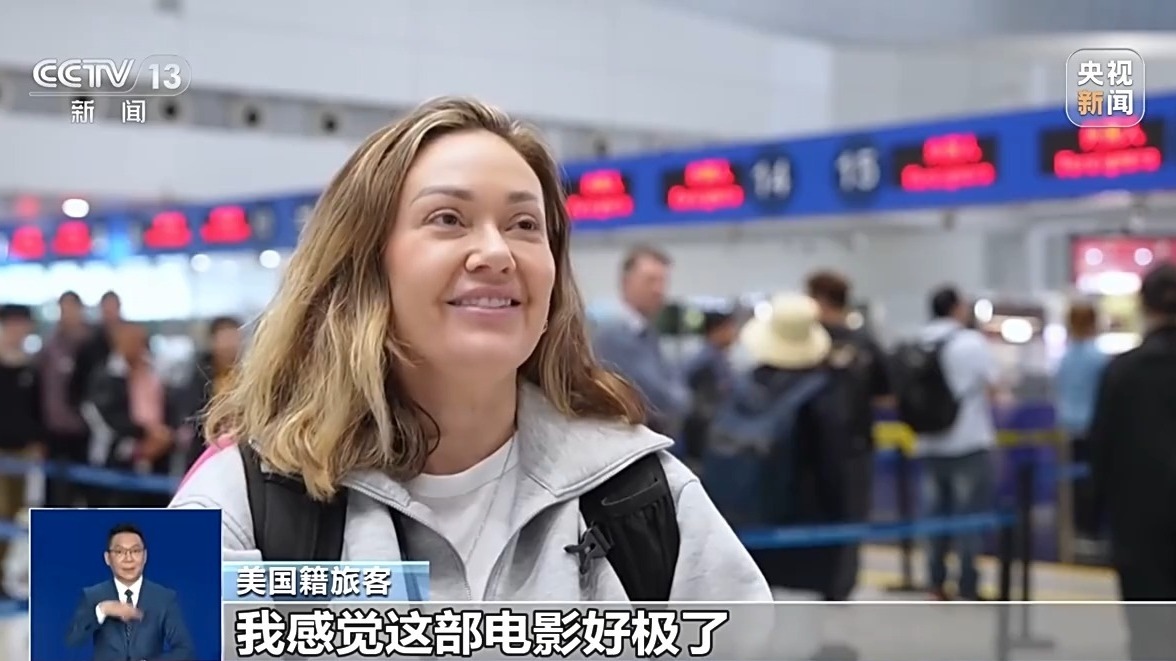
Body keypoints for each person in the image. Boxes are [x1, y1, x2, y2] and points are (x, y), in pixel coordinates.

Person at [171, 97, 771, 603]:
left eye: (524, 225)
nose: (496, 253)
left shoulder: (646, 497)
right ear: (364, 265)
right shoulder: (245, 506)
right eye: (448, 219)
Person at [713, 293, 852, 599]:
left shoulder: (741, 388)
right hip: (803, 542)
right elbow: (833, 476)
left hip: (743, 538)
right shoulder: (820, 396)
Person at [1090, 262, 1176, 660]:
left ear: (1144, 306)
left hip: (1141, 521)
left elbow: (1102, 447)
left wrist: (1093, 517)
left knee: (1151, 636)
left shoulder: (1122, 372)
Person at [806, 269, 893, 599]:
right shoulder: (864, 341)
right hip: (856, 447)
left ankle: (817, 580)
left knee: (814, 515)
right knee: (852, 518)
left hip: (812, 448)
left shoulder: (808, 342)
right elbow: (886, 392)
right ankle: (841, 586)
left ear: (819, 299)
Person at [910, 286, 999, 601]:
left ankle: (935, 582)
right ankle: (967, 583)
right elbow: (994, 384)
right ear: (956, 308)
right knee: (968, 517)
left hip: (928, 442)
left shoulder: (918, 342)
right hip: (968, 441)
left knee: (934, 516)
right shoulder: (971, 342)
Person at [592, 245, 691, 438]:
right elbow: (652, 394)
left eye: (663, 281)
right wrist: (681, 401)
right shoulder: (612, 333)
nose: (658, 290)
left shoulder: (646, 332)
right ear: (626, 282)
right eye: (650, 281)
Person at [65, 523, 194, 661]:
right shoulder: (93, 595)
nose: (128, 558)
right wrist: (102, 610)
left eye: (135, 551)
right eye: (120, 552)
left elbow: (185, 651)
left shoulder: (164, 598)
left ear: (145, 556)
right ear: (107, 558)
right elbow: (73, 639)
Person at [84, 323, 174, 508]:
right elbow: (108, 416)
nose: (135, 346)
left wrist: (164, 435)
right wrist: (144, 433)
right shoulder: (106, 375)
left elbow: (170, 405)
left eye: (139, 341)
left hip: (159, 451)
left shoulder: (155, 371)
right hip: (120, 454)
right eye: (129, 341)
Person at [1054, 301, 1108, 550]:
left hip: (1066, 428)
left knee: (1071, 485)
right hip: (1093, 427)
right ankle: (1091, 530)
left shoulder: (1065, 358)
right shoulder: (1098, 358)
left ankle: (1074, 529)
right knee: (1093, 482)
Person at [0, 304, 44, 598]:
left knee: (16, 512)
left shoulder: (30, 368)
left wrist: (37, 442)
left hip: (23, 453)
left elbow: (36, 409)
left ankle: (3, 574)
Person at [39, 291, 93, 507]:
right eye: (63, 309)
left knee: (86, 493)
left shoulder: (92, 344)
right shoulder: (50, 346)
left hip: (84, 431)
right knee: (55, 494)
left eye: (72, 308)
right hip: (54, 430)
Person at [180, 316, 242, 470]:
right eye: (224, 339)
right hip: (204, 452)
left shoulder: (248, 376)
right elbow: (191, 414)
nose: (229, 345)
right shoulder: (200, 377)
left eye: (233, 338)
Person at [681, 309, 739, 466]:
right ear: (717, 330)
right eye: (729, 328)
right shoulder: (705, 360)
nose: (733, 333)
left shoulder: (718, 357)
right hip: (706, 427)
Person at [71, 291, 122, 407]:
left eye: (113, 308)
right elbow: (79, 380)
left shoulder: (132, 341)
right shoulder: (89, 344)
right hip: (96, 404)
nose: (110, 313)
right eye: (107, 309)